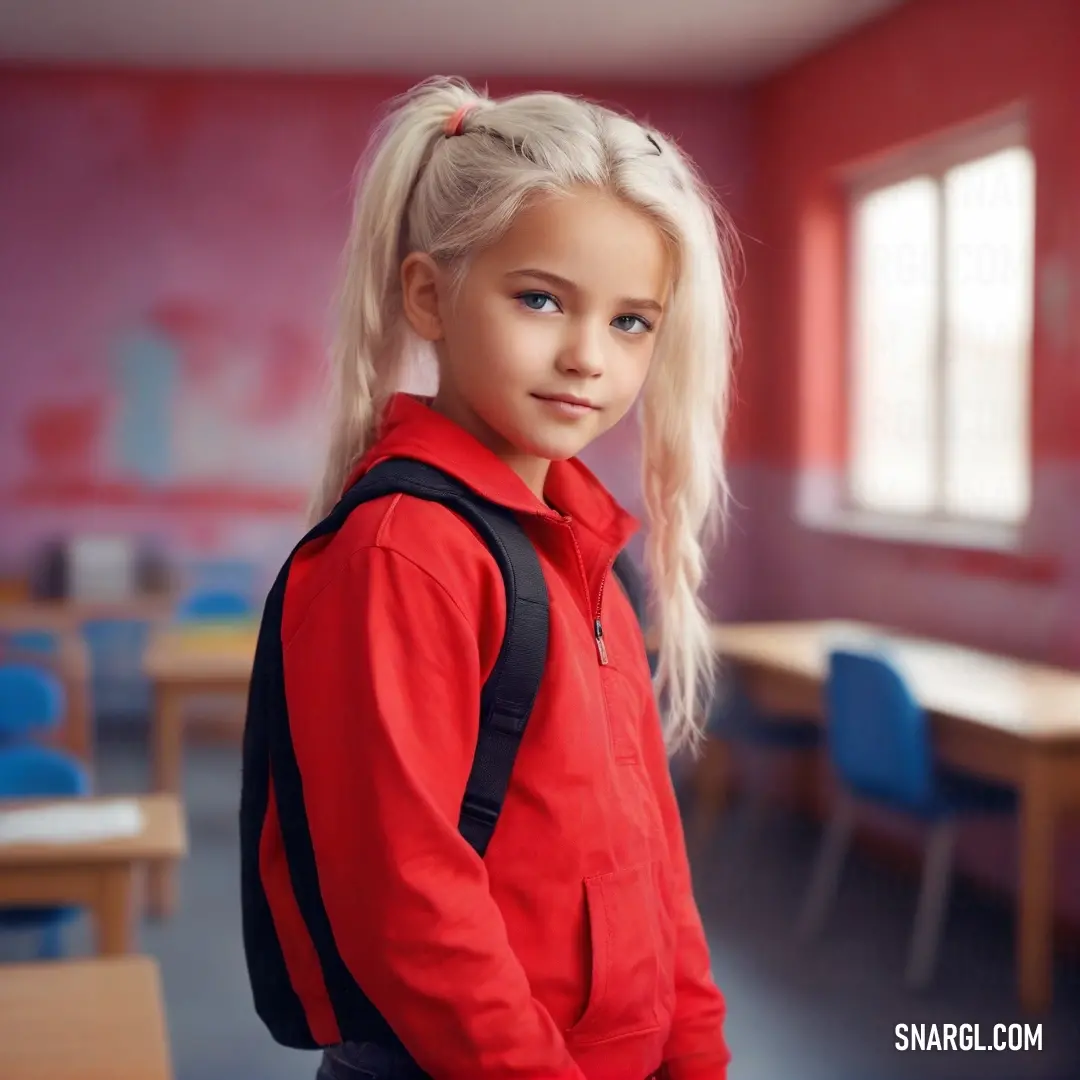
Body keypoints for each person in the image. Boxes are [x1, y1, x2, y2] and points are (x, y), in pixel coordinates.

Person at [249, 75, 738, 1080]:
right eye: (541, 299)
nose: (586, 356)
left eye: (631, 321)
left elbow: (655, 865)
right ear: (429, 294)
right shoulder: (401, 554)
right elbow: (408, 905)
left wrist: (696, 1057)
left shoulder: (586, 550)